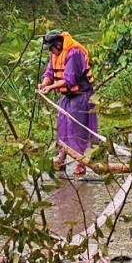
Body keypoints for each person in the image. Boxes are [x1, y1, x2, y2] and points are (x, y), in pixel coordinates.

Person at [38, 30, 98, 177]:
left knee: (77, 129)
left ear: (58, 44)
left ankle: (81, 162)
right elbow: (49, 73)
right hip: (67, 96)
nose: (50, 52)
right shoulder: (55, 54)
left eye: (51, 48)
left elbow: (70, 79)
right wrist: (44, 83)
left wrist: (51, 87)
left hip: (81, 95)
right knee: (63, 125)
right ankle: (62, 157)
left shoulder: (74, 53)